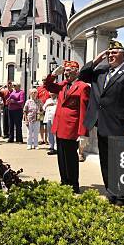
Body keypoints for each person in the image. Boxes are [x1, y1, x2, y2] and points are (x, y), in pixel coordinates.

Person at [80, 40, 124, 206]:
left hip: (123, 128)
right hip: (102, 125)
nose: (110, 55)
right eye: (109, 53)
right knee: (107, 163)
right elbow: (83, 75)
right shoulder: (100, 71)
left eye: (114, 52)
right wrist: (97, 59)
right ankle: (112, 193)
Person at [44, 60, 90, 193]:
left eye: (69, 71)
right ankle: (64, 182)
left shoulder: (83, 87)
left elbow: (83, 111)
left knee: (70, 158)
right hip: (59, 126)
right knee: (61, 158)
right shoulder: (63, 85)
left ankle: (74, 185)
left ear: (77, 72)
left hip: (72, 128)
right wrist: (53, 75)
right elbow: (48, 86)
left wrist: (83, 133)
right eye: (65, 71)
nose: (66, 73)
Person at [37, 77, 51, 146]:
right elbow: (37, 98)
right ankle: (42, 139)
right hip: (41, 109)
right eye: (43, 80)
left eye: (45, 80)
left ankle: (46, 139)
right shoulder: (39, 89)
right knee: (41, 124)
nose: (44, 81)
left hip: (48, 109)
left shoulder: (50, 88)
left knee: (47, 124)